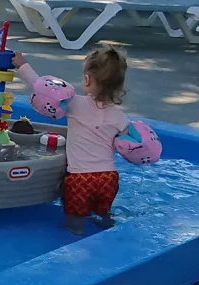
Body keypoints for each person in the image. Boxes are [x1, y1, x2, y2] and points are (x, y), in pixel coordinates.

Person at [12, 46, 130, 235]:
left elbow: (42, 88)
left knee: (74, 220)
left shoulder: (76, 104)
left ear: (88, 79)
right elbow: (127, 144)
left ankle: (75, 236)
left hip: (80, 178)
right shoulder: (120, 117)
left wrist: (22, 64)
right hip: (109, 178)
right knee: (103, 215)